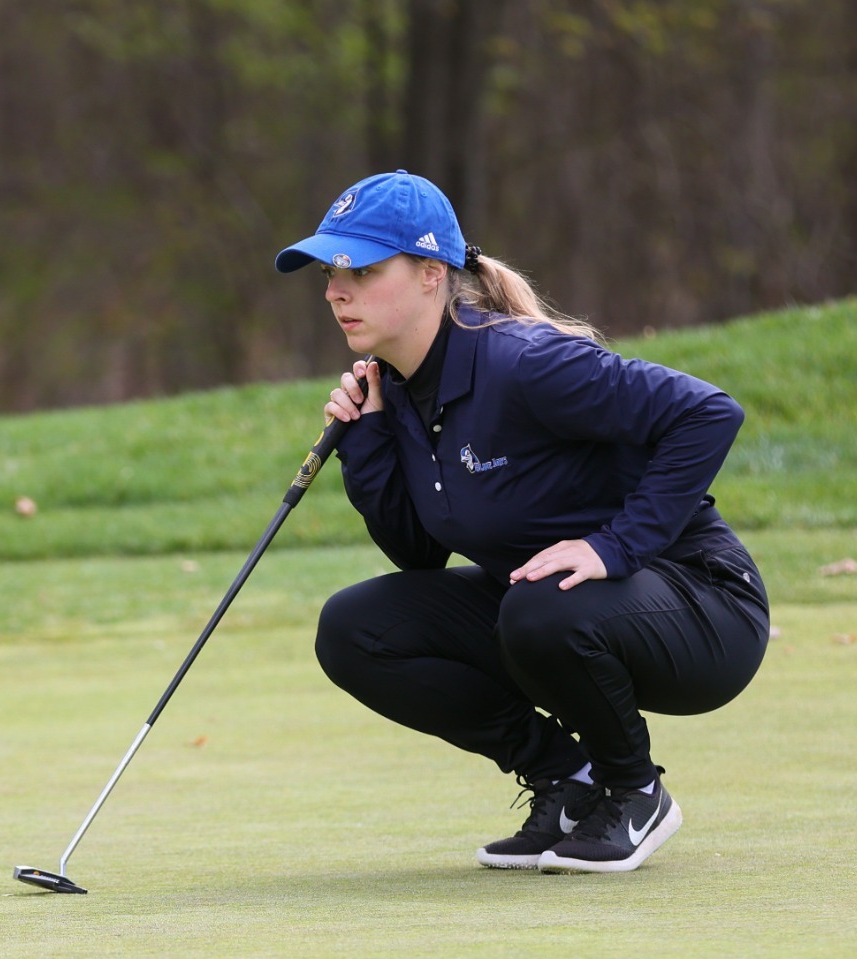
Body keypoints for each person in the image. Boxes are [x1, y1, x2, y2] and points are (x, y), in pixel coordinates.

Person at [277, 170, 770, 873]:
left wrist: (614, 546)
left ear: (429, 275)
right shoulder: (400, 394)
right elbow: (418, 556)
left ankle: (634, 791)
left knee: (537, 605)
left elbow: (707, 413)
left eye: (360, 268)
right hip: (552, 612)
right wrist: (368, 442)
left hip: (703, 606)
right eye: (331, 271)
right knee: (356, 628)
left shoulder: (527, 362)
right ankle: (567, 782)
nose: (335, 289)